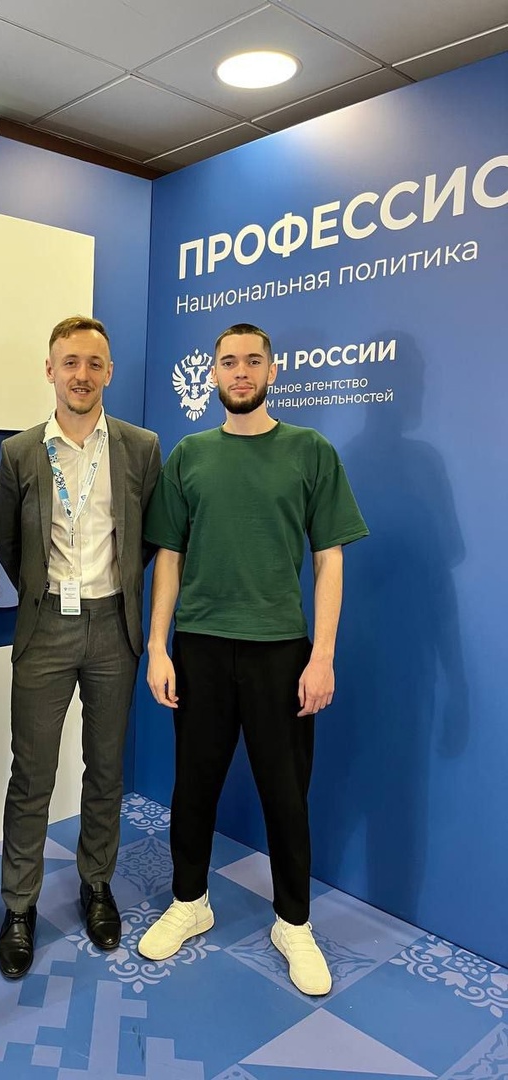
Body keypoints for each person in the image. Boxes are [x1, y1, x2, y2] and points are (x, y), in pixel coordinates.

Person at [139, 323, 368, 996]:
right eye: (228, 361)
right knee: (193, 787)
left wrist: (322, 655)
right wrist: (157, 646)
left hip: (281, 651)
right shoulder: (190, 455)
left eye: (252, 361)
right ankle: (189, 902)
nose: (240, 371)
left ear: (272, 370)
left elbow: (329, 560)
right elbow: (169, 558)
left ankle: (293, 923)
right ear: (213, 373)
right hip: (200, 646)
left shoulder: (310, 451)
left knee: (285, 796)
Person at [0, 315, 161, 978]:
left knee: (106, 769)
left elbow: (149, 538)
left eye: (94, 363)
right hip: (46, 629)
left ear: (109, 372)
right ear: (50, 370)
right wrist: (46, 593)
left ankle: (97, 886)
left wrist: (112, 594)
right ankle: (19, 905)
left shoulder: (142, 448)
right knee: (32, 774)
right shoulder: (20, 454)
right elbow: (10, 544)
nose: (82, 375)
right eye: (70, 362)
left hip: (114, 626)